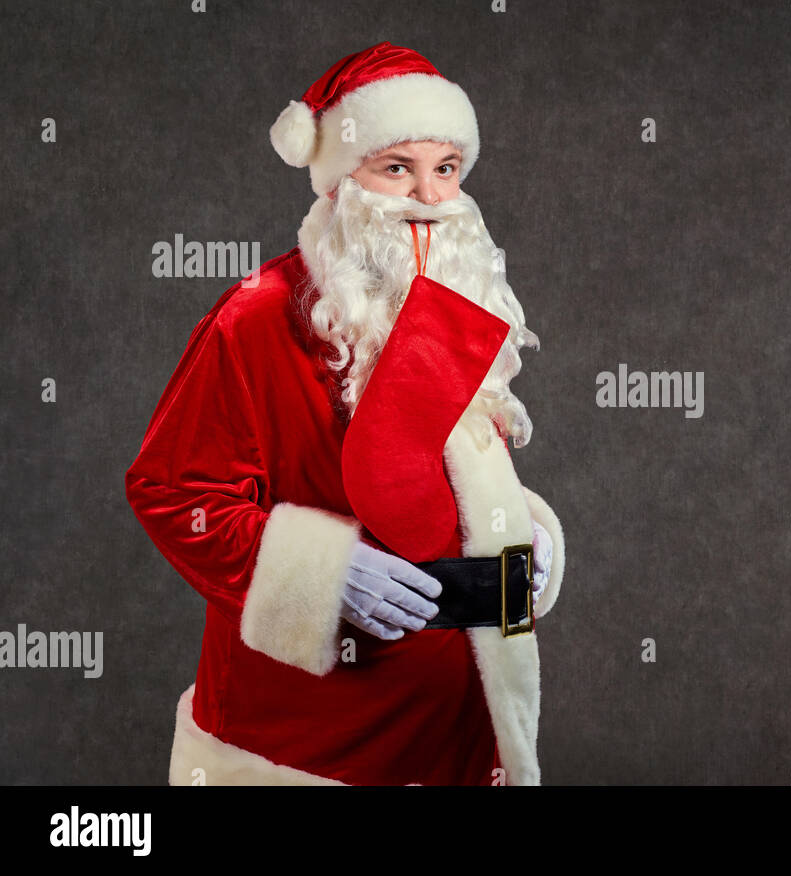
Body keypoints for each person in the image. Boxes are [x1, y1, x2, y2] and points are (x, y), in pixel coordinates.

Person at [124, 42, 565, 786]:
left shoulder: (460, 300)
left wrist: (521, 540)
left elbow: (431, 487)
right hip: (304, 741)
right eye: (397, 167)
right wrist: (325, 574)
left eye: (447, 168)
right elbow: (174, 493)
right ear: (339, 183)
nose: (431, 197)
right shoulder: (256, 317)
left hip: (452, 730)